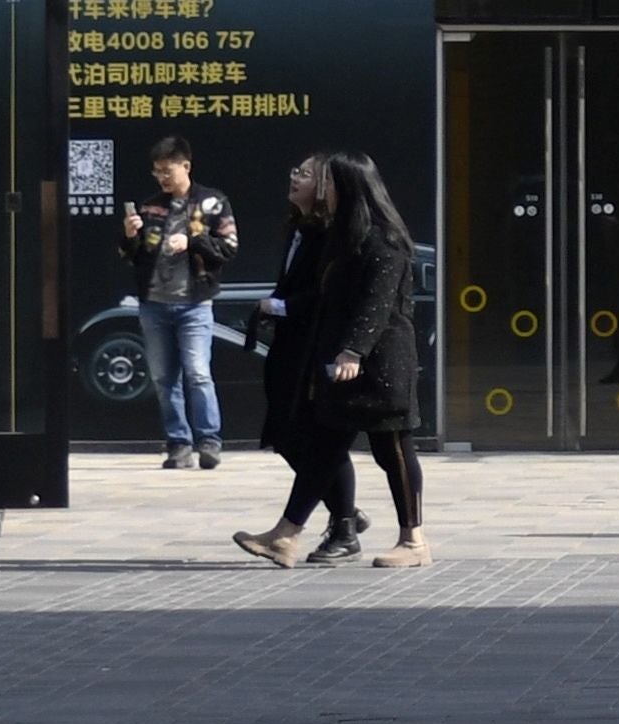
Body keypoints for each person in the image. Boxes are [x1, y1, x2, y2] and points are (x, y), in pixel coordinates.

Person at [241, 150, 431, 570]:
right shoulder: (346, 237)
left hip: (379, 364)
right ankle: (285, 535)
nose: (321, 188)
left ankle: (413, 540)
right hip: (343, 364)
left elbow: (376, 304)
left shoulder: (383, 239)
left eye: (326, 180)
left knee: (394, 450)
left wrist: (353, 350)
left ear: (348, 186)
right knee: (324, 447)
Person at [121, 143, 243, 471]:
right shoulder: (150, 207)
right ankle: (178, 444)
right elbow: (133, 256)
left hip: (194, 304)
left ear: (185, 166)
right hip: (154, 305)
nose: (162, 177)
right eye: (157, 171)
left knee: (198, 373)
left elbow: (229, 247)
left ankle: (209, 441)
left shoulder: (213, 202)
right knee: (163, 378)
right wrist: (130, 236)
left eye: (167, 171)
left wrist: (193, 242)